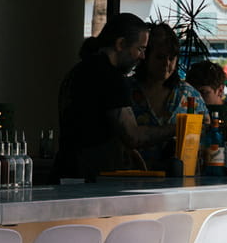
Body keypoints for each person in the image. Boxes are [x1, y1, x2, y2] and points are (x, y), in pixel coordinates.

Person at [56, 14, 174, 178]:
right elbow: (133, 136)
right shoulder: (111, 78)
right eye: (140, 49)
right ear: (120, 44)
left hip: (67, 171)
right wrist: (178, 127)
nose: (142, 56)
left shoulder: (79, 70)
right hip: (91, 179)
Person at [128, 23, 209, 170]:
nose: (166, 64)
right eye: (160, 57)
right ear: (145, 57)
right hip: (128, 178)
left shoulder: (189, 96)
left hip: (177, 180)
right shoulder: (127, 92)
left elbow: (206, 139)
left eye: (172, 58)